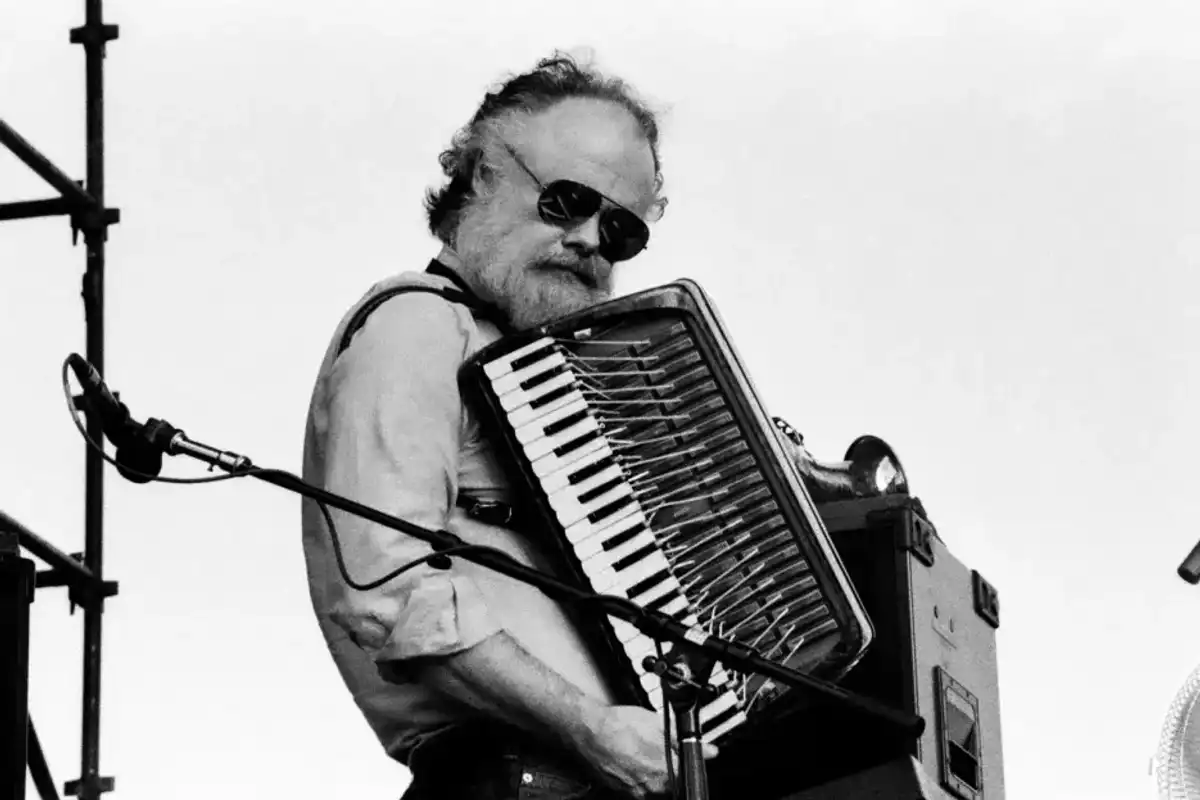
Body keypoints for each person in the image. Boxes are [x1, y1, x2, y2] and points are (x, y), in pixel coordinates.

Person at [300, 53, 717, 800]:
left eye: (621, 229)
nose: (592, 239)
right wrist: (590, 726)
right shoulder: (418, 324)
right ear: (483, 177)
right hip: (510, 776)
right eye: (566, 202)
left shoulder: (555, 374)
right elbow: (388, 589)